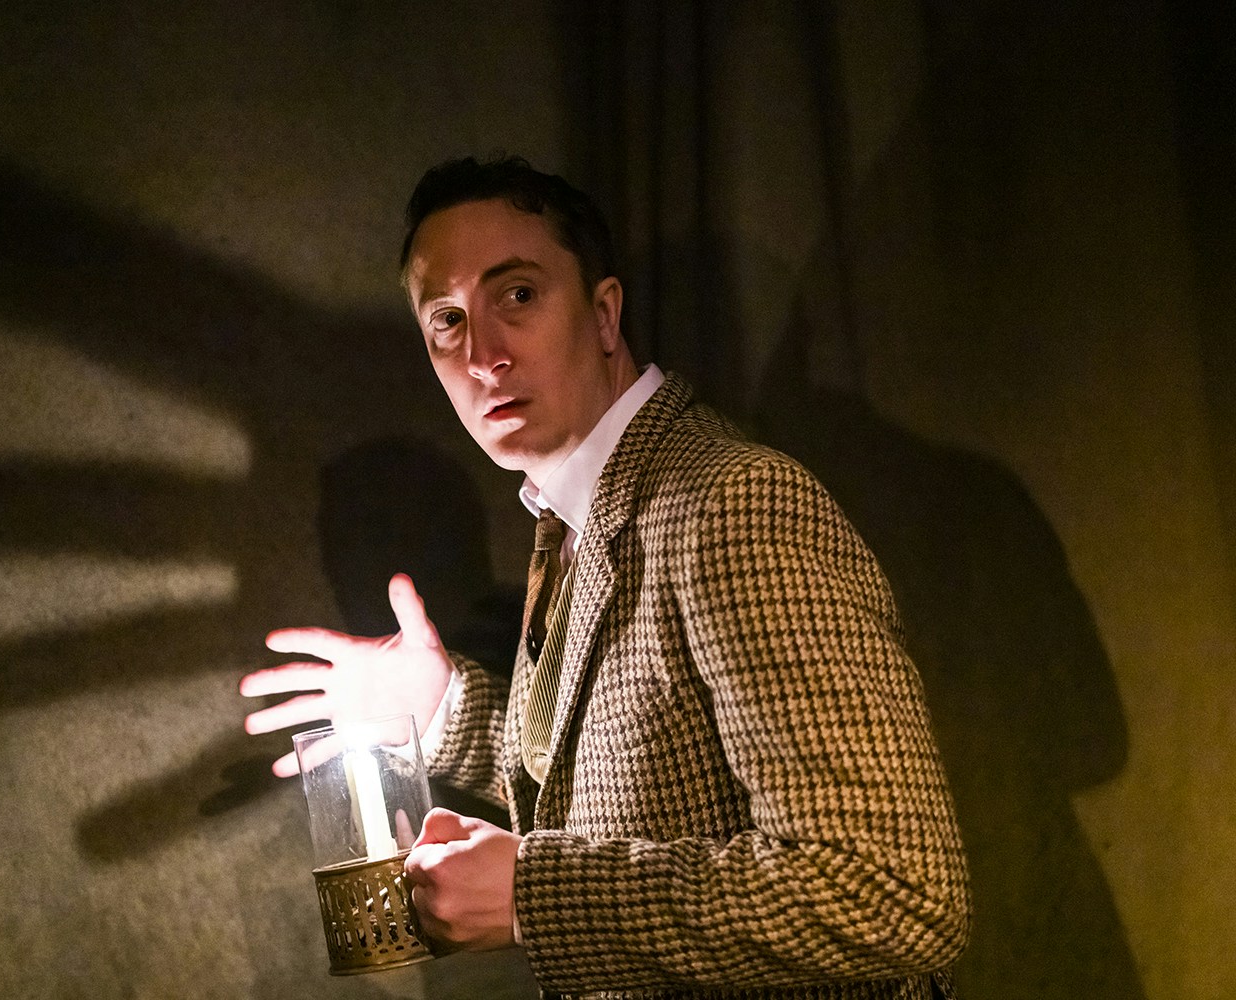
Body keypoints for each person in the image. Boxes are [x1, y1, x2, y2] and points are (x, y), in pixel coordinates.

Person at [240, 155, 970, 999]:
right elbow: (619, 780)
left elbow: (889, 892)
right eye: (447, 320)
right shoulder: (569, 517)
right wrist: (445, 709)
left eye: (517, 295)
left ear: (604, 312)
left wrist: (531, 898)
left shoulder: (730, 502)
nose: (483, 356)